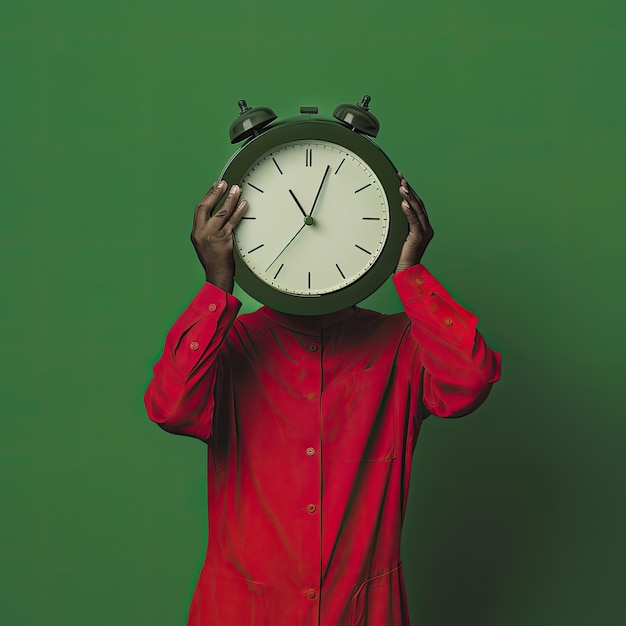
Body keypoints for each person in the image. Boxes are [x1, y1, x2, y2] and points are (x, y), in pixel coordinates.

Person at [144, 174, 501, 626]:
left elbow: (469, 381)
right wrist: (217, 286)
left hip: (363, 611)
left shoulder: (399, 344)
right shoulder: (231, 344)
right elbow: (170, 407)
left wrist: (410, 275)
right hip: (242, 612)